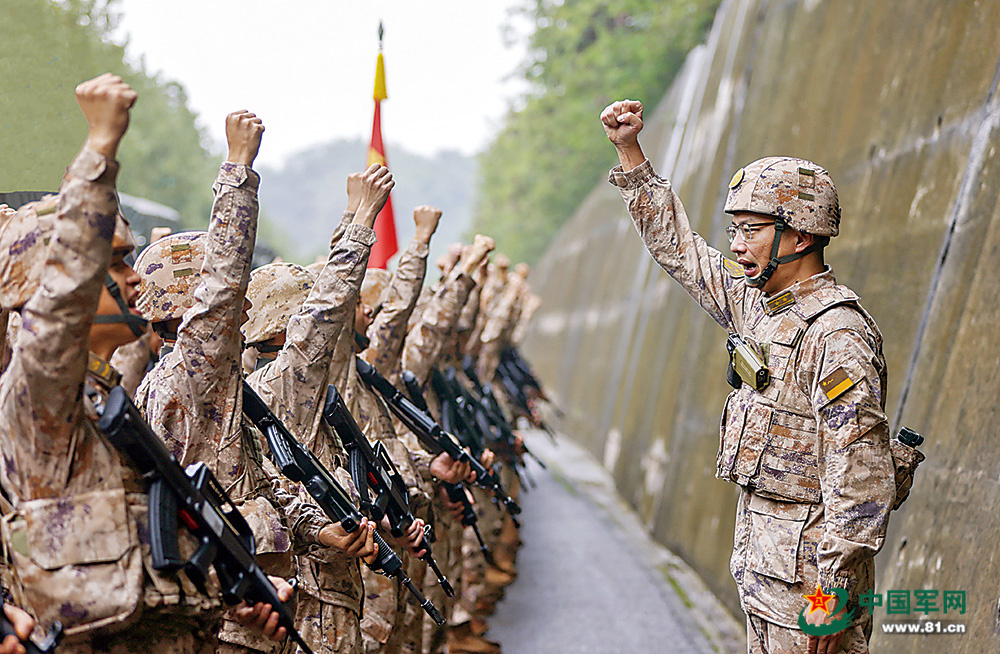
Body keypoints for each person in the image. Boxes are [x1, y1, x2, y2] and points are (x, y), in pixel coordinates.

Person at [0, 73, 290, 653]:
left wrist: (228, 596)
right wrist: (99, 152)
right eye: (117, 260)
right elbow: (64, 296)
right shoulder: (40, 397)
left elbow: (136, 556)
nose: (136, 279)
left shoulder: (103, 402)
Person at [601, 99, 896, 654]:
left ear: (801, 236)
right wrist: (630, 154)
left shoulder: (836, 334)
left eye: (751, 230)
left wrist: (831, 595)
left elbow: (859, 473)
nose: (736, 244)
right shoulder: (758, 306)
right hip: (764, 570)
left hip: (812, 588)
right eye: (734, 230)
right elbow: (681, 251)